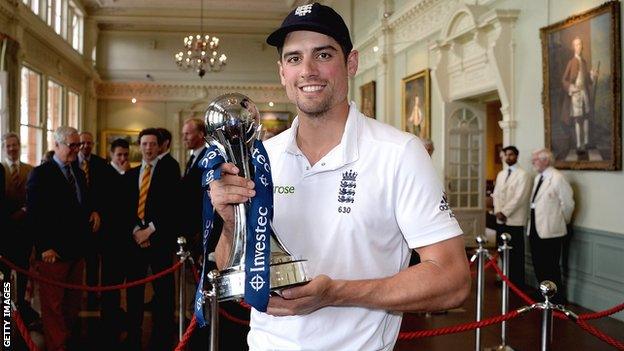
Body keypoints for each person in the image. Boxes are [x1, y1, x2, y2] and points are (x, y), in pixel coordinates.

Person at [209, 3, 471, 350]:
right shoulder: (262, 157)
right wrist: (231, 223)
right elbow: (233, 271)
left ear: (351, 63)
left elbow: (452, 279)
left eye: (323, 54)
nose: (308, 70)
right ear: (282, 72)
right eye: (294, 58)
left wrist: (336, 293)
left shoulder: (398, 153)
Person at [27, 126, 100, 351]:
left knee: (71, 303)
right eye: (72, 145)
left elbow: (82, 203)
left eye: (78, 145)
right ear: (56, 145)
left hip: (76, 250)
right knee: (53, 305)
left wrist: (94, 211)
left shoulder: (76, 171)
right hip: (53, 253)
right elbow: (35, 214)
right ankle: (57, 346)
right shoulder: (41, 174)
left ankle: (66, 341)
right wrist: (44, 247)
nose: (77, 150)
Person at [124, 128, 179, 351]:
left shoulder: (169, 172)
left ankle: (163, 336)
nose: (148, 148)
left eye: (152, 144)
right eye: (144, 144)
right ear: (139, 146)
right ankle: (133, 333)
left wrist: (150, 230)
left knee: (163, 291)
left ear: (159, 147)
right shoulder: (130, 174)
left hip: (159, 240)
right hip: (135, 241)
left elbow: (172, 206)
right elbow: (125, 208)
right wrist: (137, 230)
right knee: (134, 291)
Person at [528, 148, 574, 304]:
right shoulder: (538, 178)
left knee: (551, 265)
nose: (532, 162)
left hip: (552, 230)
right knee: (538, 262)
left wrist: (561, 221)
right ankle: (543, 293)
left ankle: (556, 297)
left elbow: (568, 204)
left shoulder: (558, 178)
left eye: (535, 159)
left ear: (546, 160)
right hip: (534, 227)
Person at [1, 133, 36, 321]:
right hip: (5, 232)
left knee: (23, 271)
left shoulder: (30, 170)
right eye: (8, 146)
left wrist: (24, 210)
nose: (12, 148)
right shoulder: (1, 170)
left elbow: (34, 197)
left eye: (15, 145)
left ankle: (21, 305)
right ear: (3, 147)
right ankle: (7, 307)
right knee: (5, 274)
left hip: (24, 231)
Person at [75, 131, 108, 308]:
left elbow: (104, 193)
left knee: (93, 259)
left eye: (89, 143)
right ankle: (75, 293)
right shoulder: (71, 163)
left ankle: (93, 292)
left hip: (96, 220)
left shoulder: (101, 164)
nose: (86, 146)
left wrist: (97, 211)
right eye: (82, 143)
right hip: (77, 221)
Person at [491, 145, 531, 286]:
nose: (508, 157)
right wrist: (497, 211)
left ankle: (516, 283)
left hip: (514, 220)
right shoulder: (501, 174)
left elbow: (519, 198)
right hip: (500, 220)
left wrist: (505, 212)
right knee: (502, 251)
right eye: (505, 155)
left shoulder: (523, 174)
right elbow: (495, 194)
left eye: (511, 155)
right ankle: (504, 278)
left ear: (516, 156)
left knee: (516, 254)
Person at [561, 37, 597, 153]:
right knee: (578, 119)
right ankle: (578, 144)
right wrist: (570, 88)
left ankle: (586, 142)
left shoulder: (584, 62)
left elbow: (588, 81)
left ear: (582, 47)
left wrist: (592, 75)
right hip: (576, 94)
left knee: (586, 117)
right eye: (576, 45)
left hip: (584, 92)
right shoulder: (571, 62)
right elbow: (564, 80)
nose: (579, 47)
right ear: (573, 47)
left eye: (580, 44)